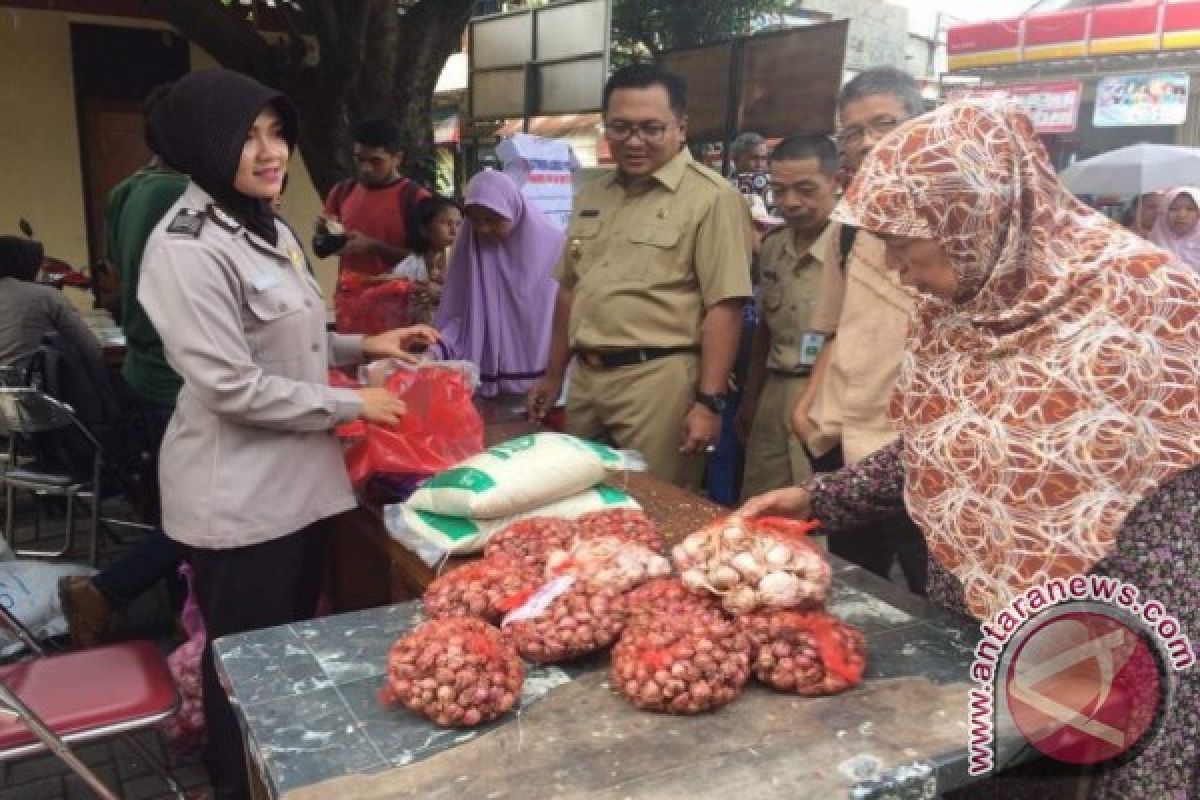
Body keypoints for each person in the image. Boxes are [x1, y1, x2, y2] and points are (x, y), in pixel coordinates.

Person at [741, 101, 1199, 799]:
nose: (895, 269)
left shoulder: (1144, 300)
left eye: (902, 243)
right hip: (976, 627)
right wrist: (817, 497)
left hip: (1106, 632)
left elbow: (1174, 513)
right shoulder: (958, 309)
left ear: (973, 211)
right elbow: (947, 445)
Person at [136, 69, 439, 799]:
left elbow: (290, 341)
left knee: (285, 645)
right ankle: (233, 781)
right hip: (238, 498)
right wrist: (353, 406)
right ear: (203, 146)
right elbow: (230, 385)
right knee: (245, 658)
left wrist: (366, 348)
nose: (270, 151)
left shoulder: (263, 222)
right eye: (247, 136)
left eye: (277, 132)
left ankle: (271, 774)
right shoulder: (186, 248)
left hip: (296, 485)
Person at [526, 63, 753, 490]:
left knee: (653, 506)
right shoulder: (594, 193)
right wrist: (553, 374)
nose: (634, 141)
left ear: (681, 128)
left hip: (659, 383)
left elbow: (724, 308)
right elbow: (570, 292)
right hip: (588, 379)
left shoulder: (713, 198)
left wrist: (708, 403)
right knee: (580, 501)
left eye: (651, 128)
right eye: (621, 128)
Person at [57, 84, 190, 649]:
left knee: (179, 506)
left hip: (144, 366)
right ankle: (108, 591)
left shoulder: (127, 189)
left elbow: (112, 277)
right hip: (178, 375)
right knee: (202, 514)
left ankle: (150, 600)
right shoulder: (181, 195)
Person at [791, 66, 929, 595]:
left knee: (930, 587)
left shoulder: (960, 222)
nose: (868, 141)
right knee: (855, 585)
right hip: (844, 437)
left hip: (915, 446)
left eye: (884, 123)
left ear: (922, 124)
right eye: (853, 132)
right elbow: (831, 329)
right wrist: (804, 408)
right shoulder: (845, 231)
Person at [735, 133, 841, 499]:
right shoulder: (773, 247)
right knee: (762, 500)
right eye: (779, 190)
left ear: (835, 182)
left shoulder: (855, 248)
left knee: (815, 507)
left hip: (827, 395)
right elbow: (765, 328)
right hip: (774, 389)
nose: (790, 202)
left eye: (805, 189)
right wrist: (750, 399)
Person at [433, 171, 561, 397]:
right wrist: (434, 351)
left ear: (512, 209)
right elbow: (458, 309)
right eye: (475, 220)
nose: (483, 228)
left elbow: (559, 313)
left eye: (493, 219)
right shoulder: (472, 245)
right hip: (484, 384)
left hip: (543, 381)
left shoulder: (553, 246)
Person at [320, 116, 430, 330]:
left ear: (397, 158)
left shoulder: (416, 199)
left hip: (398, 312)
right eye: (359, 159)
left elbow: (426, 263)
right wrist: (325, 236)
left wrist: (374, 246)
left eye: (376, 161)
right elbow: (322, 250)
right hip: (351, 307)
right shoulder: (341, 193)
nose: (366, 168)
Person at [0, 236, 99, 366]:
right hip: (33, 382)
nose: (40, 270)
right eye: (38, 265)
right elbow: (90, 348)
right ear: (23, 263)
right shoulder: (45, 296)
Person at [393, 195, 463, 324]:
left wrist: (445, 295)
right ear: (424, 229)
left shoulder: (467, 264)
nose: (454, 231)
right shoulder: (408, 267)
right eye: (445, 223)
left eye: (459, 224)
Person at [1149, 186, 1200, 272]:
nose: (1181, 215)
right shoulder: (1149, 246)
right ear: (1164, 213)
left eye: (1190, 209)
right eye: (1173, 209)